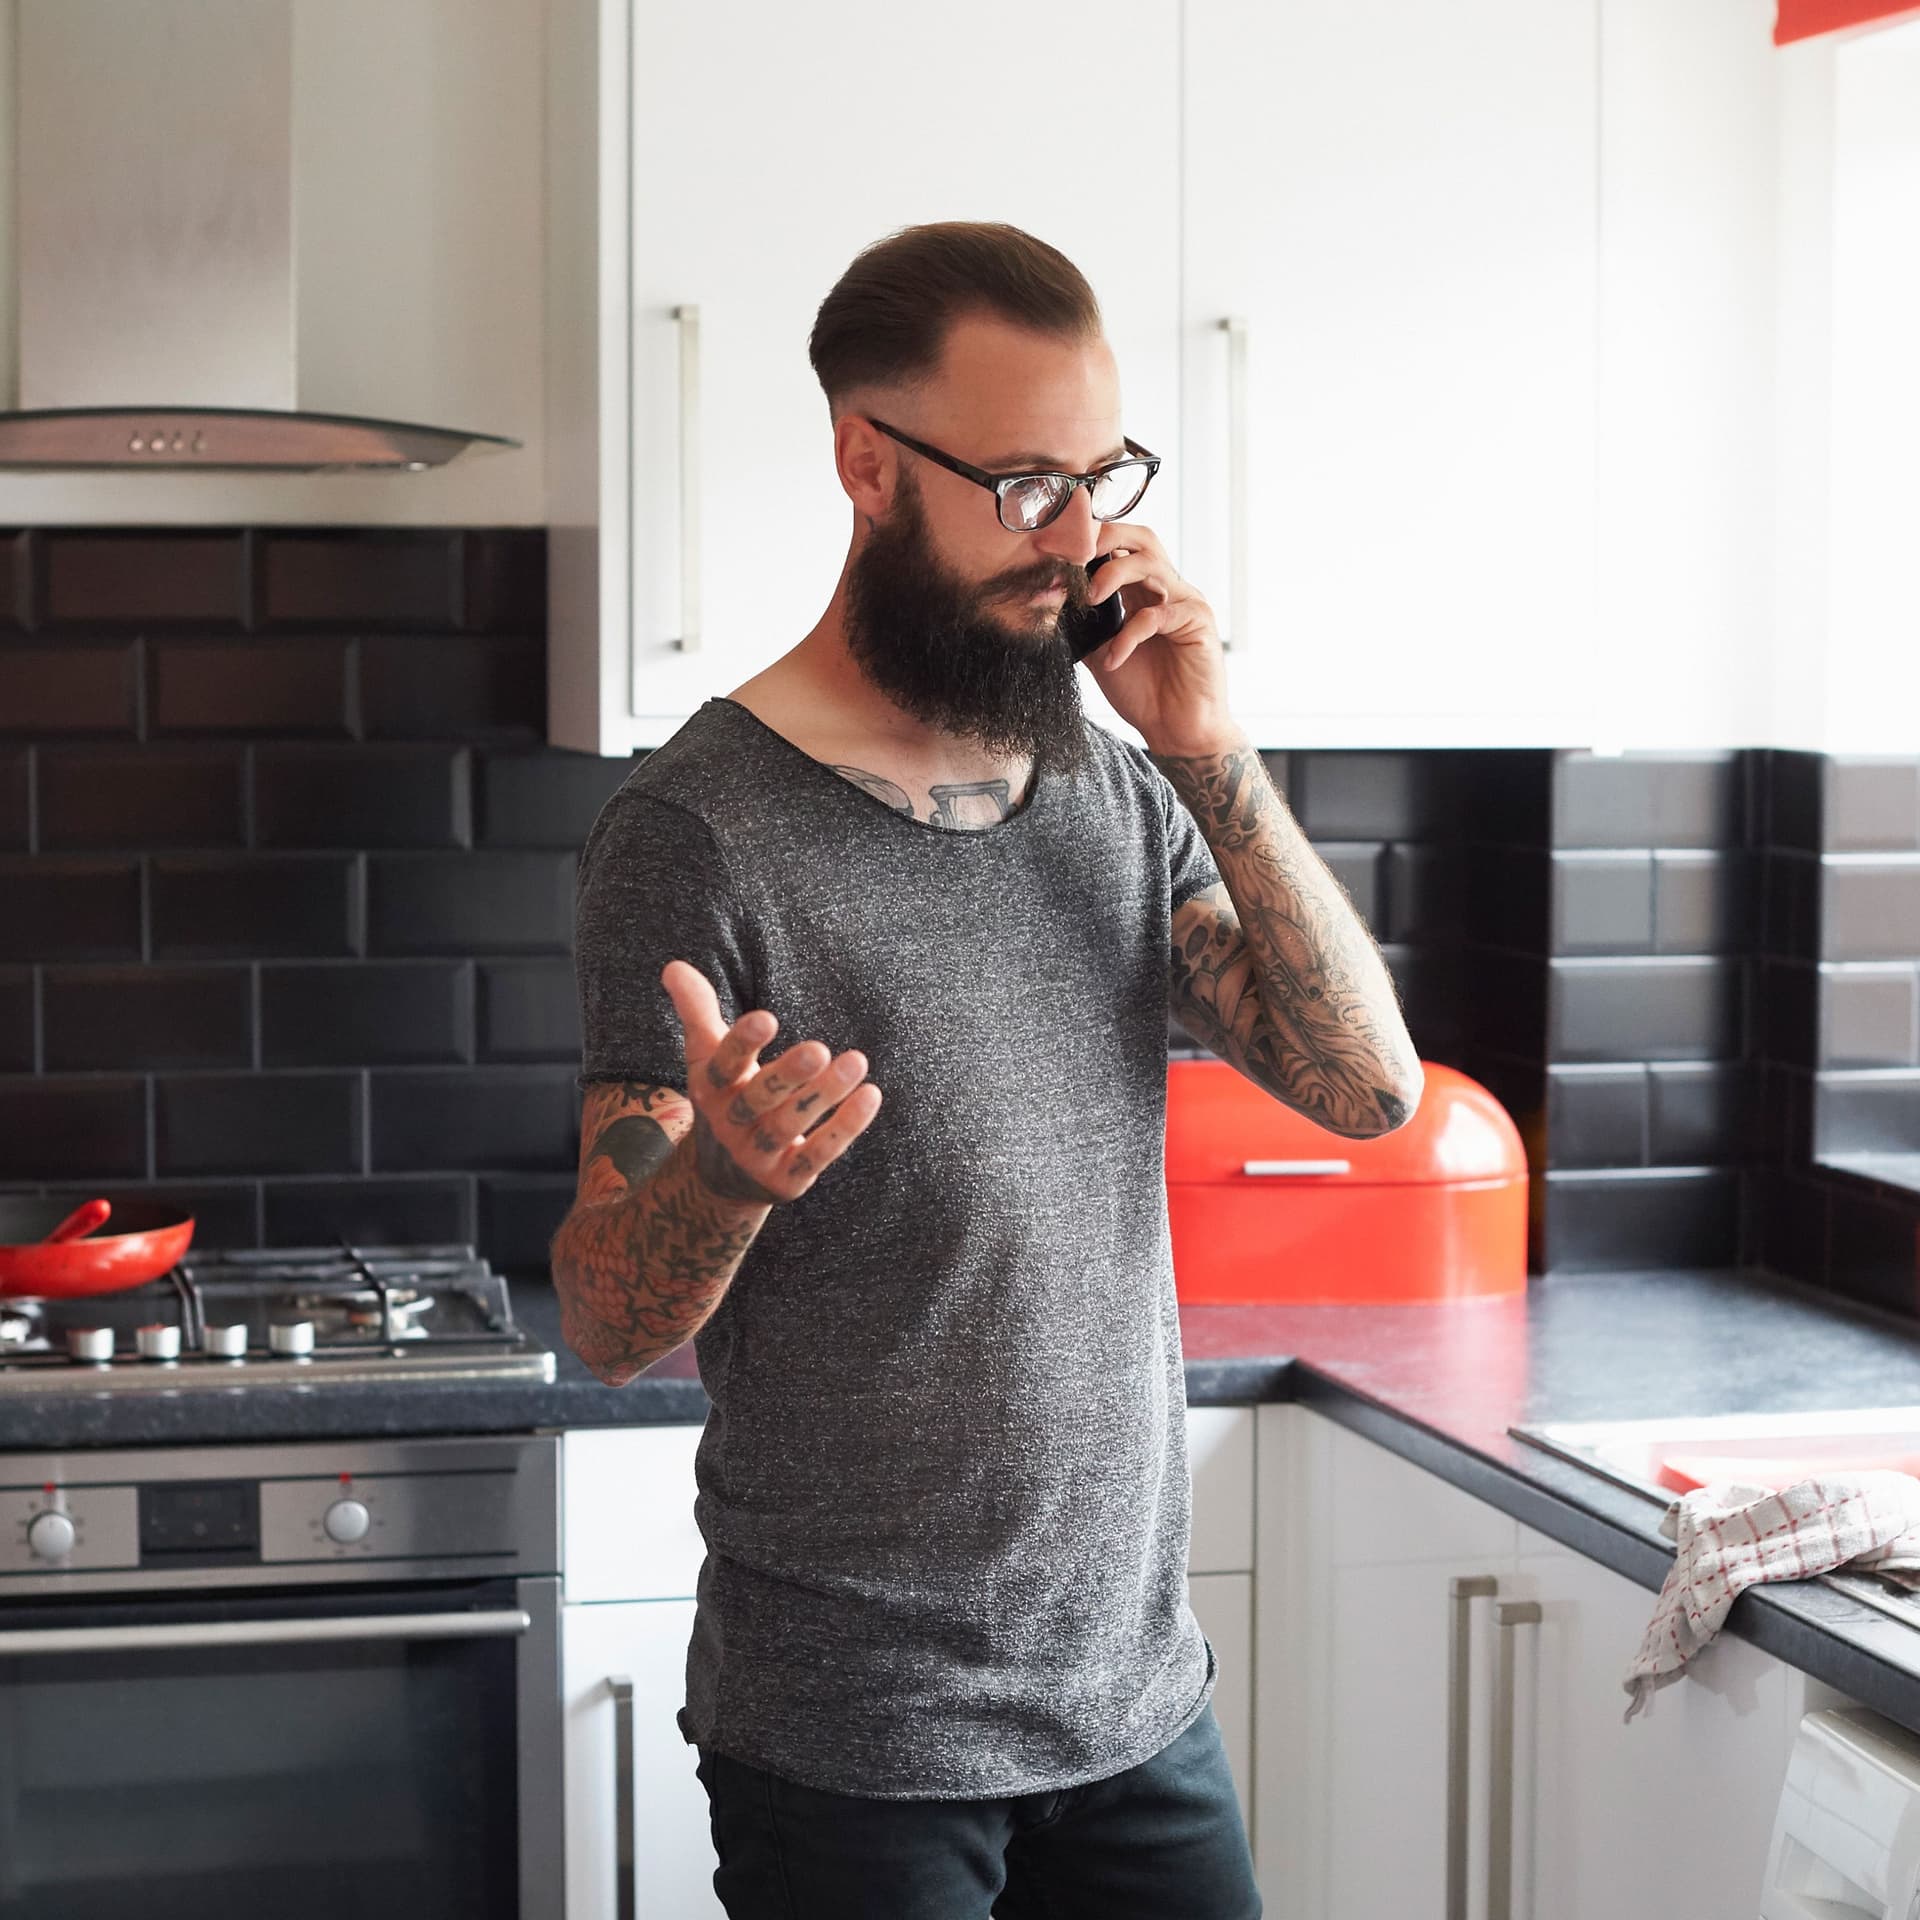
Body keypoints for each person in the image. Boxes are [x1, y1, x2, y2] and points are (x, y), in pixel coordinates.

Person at [552, 220, 1423, 1920]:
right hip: (855, 1756)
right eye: (1027, 484)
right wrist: (724, 1178)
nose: (1083, 538)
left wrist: (1208, 745)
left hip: (1134, 1709)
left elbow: (1367, 1091)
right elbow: (602, 1310)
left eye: (1101, 476)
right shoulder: (697, 833)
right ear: (867, 465)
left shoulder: (1111, 791)